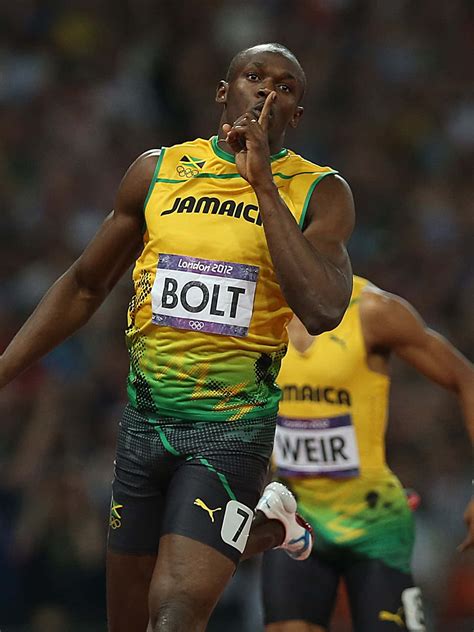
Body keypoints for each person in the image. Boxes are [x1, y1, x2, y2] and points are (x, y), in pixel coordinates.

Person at [0, 43, 355, 632]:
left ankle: (253, 521)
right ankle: (267, 526)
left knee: (174, 616)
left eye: (285, 87)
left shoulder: (320, 192)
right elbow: (85, 286)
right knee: (129, 621)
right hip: (145, 422)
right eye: (254, 76)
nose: (267, 91)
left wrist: (264, 185)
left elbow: (321, 310)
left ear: (296, 115)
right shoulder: (157, 171)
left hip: (231, 429)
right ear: (224, 91)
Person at [262, 275, 474, 632]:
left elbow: (465, 377)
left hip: (374, 525)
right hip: (295, 519)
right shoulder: (259, 312)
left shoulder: (373, 311)